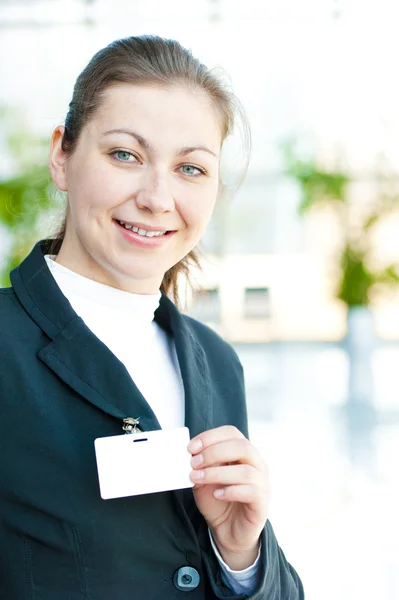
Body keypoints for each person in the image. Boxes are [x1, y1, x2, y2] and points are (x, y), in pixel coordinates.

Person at [0, 35, 304, 599]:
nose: (158, 198)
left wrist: (241, 555)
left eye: (191, 168)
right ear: (62, 156)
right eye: (125, 156)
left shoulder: (215, 361)